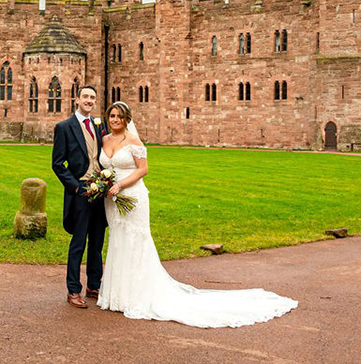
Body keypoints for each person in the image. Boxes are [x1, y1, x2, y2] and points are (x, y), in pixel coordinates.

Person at [97, 101, 299, 327]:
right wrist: (103, 184)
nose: (115, 120)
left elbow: (144, 169)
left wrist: (121, 184)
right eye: (112, 116)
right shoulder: (104, 139)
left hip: (132, 196)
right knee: (118, 240)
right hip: (111, 200)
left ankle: (136, 294)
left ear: (127, 119)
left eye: (119, 116)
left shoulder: (133, 140)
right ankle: (117, 294)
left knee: (136, 241)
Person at [51, 85, 107, 308]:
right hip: (81, 191)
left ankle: (94, 285)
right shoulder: (64, 127)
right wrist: (76, 187)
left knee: (97, 241)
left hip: (100, 191)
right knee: (78, 242)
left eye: (92, 97)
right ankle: (73, 289)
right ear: (77, 99)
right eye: (85, 96)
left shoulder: (99, 125)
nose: (89, 100)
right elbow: (58, 163)